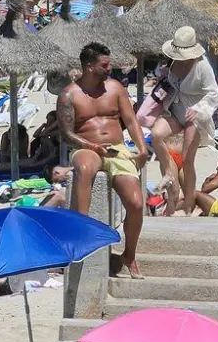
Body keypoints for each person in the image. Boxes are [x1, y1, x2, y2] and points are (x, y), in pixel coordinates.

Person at [58, 42, 149, 278]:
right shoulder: (69, 94)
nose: (109, 69)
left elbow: (131, 120)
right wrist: (91, 145)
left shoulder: (115, 88)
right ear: (89, 67)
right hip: (86, 146)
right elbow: (67, 134)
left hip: (117, 148)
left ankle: (129, 255)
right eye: (104, 65)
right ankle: (82, 234)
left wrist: (142, 148)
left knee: (137, 203)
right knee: (85, 168)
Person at [149, 28, 218, 216]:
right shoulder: (173, 62)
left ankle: (188, 204)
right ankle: (169, 175)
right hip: (174, 109)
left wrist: (198, 109)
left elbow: (213, 94)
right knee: (156, 136)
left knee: (188, 160)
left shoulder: (202, 66)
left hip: (194, 115)